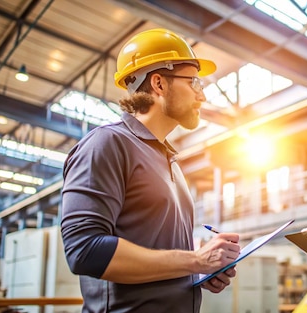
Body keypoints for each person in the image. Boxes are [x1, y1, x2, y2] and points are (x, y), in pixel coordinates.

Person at [60, 28, 241, 313]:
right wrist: (195, 260)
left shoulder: (169, 160)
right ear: (159, 83)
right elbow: (85, 251)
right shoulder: (107, 144)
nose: (201, 95)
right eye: (194, 81)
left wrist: (198, 273)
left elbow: (158, 256)